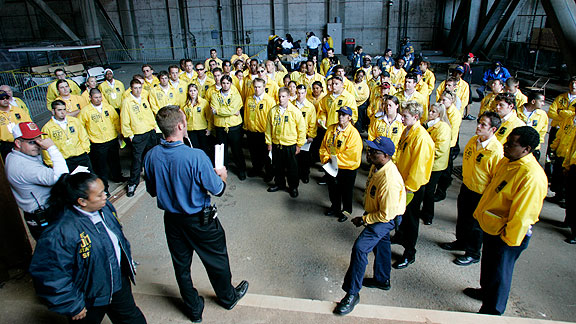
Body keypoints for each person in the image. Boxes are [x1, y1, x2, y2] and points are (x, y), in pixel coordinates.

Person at [144, 106, 248, 322]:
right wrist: (222, 176)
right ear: (181, 126)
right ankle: (228, 298)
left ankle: (193, 309)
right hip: (201, 220)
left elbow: (153, 191)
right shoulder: (196, 156)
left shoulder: (151, 155)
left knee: (181, 266)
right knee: (217, 260)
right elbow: (218, 190)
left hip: (172, 221)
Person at [28, 172, 147, 324]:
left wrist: (127, 262)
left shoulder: (105, 208)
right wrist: (71, 304)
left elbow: (118, 239)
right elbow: (50, 273)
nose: (105, 196)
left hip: (117, 283)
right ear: (82, 201)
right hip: (89, 296)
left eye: (104, 191)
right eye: (99, 195)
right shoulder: (60, 232)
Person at [464, 126, 547, 316]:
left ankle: (493, 311)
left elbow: (522, 216)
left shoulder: (531, 176)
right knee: (489, 268)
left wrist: (508, 240)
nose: (505, 145)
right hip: (493, 227)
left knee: (500, 273)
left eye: (511, 144)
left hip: (508, 235)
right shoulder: (509, 161)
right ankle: (486, 293)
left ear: (526, 149)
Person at [333, 136, 406, 316]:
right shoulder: (377, 166)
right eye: (371, 149)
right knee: (382, 244)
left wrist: (364, 219)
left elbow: (385, 215)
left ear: (387, 156)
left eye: (375, 151)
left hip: (386, 217)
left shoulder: (389, 181)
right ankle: (382, 279)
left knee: (360, 249)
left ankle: (352, 293)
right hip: (381, 212)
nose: (370, 153)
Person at [440, 112, 504, 265]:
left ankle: (473, 252)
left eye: (484, 125)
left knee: (476, 225)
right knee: (463, 217)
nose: (478, 127)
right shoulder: (474, 140)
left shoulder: (496, 151)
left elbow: (496, 178)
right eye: (479, 123)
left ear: (493, 129)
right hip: (467, 186)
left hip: (482, 193)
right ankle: (461, 241)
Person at [5, 122, 69, 239]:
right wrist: (52, 148)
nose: (38, 145)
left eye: (39, 140)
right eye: (31, 142)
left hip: (40, 211)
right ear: (18, 143)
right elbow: (60, 176)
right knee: (56, 248)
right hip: (44, 214)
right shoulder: (23, 166)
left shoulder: (15, 155)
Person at [391, 101, 434, 269]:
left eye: (405, 116)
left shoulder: (422, 138)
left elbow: (419, 169)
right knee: (401, 214)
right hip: (403, 180)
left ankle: (410, 253)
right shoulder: (407, 130)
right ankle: (400, 236)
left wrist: (408, 188)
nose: (402, 118)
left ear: (416, 117)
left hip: (413, 186)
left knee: (411, 218)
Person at [319, 106, 363, 222]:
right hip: (331, 166)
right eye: (339, 114)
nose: (340, 117)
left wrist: (334, 160)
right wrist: (326, 158)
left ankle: (346, 211)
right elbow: (323, 146)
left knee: (346, 191)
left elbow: (351, 154)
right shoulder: (331, 129)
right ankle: (335, 207)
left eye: (344, 115)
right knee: (333, 189)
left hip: (347, 168)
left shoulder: (353, 134)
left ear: (349, 117)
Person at [78, 88, 125, 194]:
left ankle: (118, 177)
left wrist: (120, 133)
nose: (98, 99)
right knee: (101, 167)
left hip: (111, 138)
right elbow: (80, 128)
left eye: (100, 97)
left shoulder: (108, 107)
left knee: (115, 161)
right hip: (98, 143)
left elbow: (116, 120)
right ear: (90, 98)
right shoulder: (85, 111)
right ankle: (104, 187)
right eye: (96, 97)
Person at [265, 87, 307, 198]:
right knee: (277, 166)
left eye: (283, 96)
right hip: (277, 144)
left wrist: (299, 145)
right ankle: (279, 184)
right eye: (279, 96)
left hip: (290, 145)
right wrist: (269, 143)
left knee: (292, 168)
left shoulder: (295, 111)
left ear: (289, 97)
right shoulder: (273, 111)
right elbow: (268, 128)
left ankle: (293, 187)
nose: (281, 99)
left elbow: (302, 129)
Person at [120, 79, 158, 197]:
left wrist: (154, 127)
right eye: (135, 88)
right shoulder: (127, 102)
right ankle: (132, 183)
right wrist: (130, 135)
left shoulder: (143, 99)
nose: (138, 90)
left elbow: (149, 114)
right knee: (137, 160)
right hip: (138, 135)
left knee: (151, 158)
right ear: (131, 88)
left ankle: (152, 178)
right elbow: (124, 120)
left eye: (140, 87)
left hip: (149, 132)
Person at [420, 103, 451, 225]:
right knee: (425, 189)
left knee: (429, 191)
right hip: (427, 162)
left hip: (435, 165)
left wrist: (423, 155)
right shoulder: (428, 124)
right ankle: (425, 211)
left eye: (433, 112)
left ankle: (428, 215)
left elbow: (440, 149)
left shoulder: (443, 128)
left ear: (439, 114)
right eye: (430, 111)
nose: (430, 113)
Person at [546, 77, 576, 204]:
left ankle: (563, 197)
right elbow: (551, 112)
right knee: (557, 170)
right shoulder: (561, 98)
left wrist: (561, 112)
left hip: (570, 153)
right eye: (572, 84)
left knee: (566, 176)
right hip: (560, 146)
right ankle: (557, 193)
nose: (573, 86)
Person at [211, 74, 247, 180]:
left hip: (234, 127)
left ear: (231, 84)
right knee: (222, 151)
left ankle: (241, 170)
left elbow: (231, 109)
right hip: (220, 127)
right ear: (220, 83)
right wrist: (229, 111)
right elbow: (230, 110)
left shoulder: (236, 95)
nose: (225, 85)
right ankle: (222, 171)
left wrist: (218, 111)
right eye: (223, 83)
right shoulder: (214, 95)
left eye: (228, 83)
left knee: (237, 150)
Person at [41, 100, 92, 173]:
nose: (62, 112)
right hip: (64, 160)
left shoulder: (74, 121)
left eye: (64, 109)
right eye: (59, 110)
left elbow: (83, 136)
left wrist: (85, 150)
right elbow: (46, 149)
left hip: (81, 156)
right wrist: (52, 163)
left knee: (89, 180)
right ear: (53, 111)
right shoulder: (47, 128)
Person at [433, 91, 462, 202]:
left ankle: (441, 191)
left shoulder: (455, 115)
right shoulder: (442, 110)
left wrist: (447, 147)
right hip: (442, 143)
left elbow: (452, 133)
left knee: (445, 171)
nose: (441, 102)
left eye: (444, 100)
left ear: (452, 101)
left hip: (448, 145)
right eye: (440, 99)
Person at [244, 78, 275, 180]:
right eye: (255, 87)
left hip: (264, 132)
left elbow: (273, 119)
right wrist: (246, 127)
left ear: (264, 87)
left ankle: (269, 173)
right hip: (252, 131)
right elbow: (246, 114)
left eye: (259, 87)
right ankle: (256, 169)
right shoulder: (249, 99)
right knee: (254, 153)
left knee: (266, 155)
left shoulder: (270, 101)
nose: (257, 89)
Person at [293, 84, 317, 183]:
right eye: (298, 93)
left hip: (305, 137)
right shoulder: (291, 105)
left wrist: (311, 135)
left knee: (305, 158)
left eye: (302, 93)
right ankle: (296, 174)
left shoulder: (310, 107)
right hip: (294, 136)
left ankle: (305, 174)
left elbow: (312, 122)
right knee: (295, 158)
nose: (300, 95)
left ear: (305, 93)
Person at [367, 95, 404, 160]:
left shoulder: (402, 123)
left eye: (390, 105)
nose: (388, 107)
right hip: (379, 157)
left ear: (397, 106)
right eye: (386, 105)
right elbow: (371, 137)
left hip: (395, 159)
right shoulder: (378, 121)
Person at [0, 90, 32, 160]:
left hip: (22, 141)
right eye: (2, 98)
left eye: (7, 97)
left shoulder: (18, 110)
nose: (5, 100)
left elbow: (29, 124)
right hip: (6, 145)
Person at [182, 83, 212, 156]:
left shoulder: (204, 102)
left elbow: (209, 117)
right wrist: (184, 131)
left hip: (202, 129)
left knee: (204, 149)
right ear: (188, 92)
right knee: (194, 149)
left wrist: (209, 129)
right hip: (191, 130)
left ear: (197, 91)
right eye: (190, 91)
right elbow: (184, 119)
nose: (192, 92)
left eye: (194, 90)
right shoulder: (185, 105)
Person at [517, 92, 548, 160]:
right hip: (517, 147)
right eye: (541, 101)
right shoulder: (516, 112)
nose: (543, 104)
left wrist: (536, 144)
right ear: (533, 101)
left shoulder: (542, 115)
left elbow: (543, 131)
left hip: (533, 149)